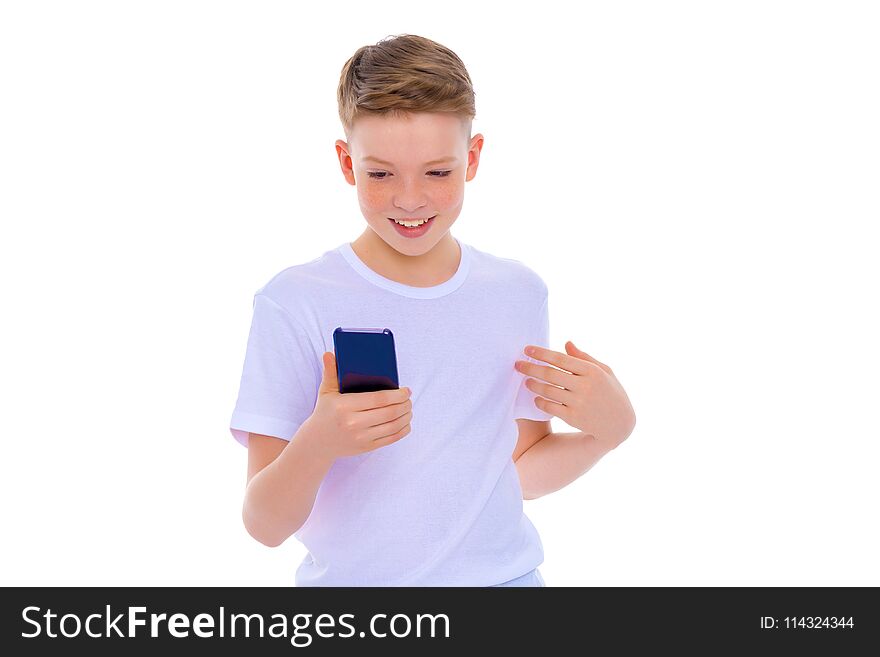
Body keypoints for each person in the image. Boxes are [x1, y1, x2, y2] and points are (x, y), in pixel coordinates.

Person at [229, 34, 636, 587]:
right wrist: (319, 441)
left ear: (472, 159)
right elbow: (264, 526)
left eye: (437, 173)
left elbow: (518, 472)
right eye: (381, 173)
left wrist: (605, 434)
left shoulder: (516, 292)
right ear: (348, 164)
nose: (410, 198)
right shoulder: (295, 300)